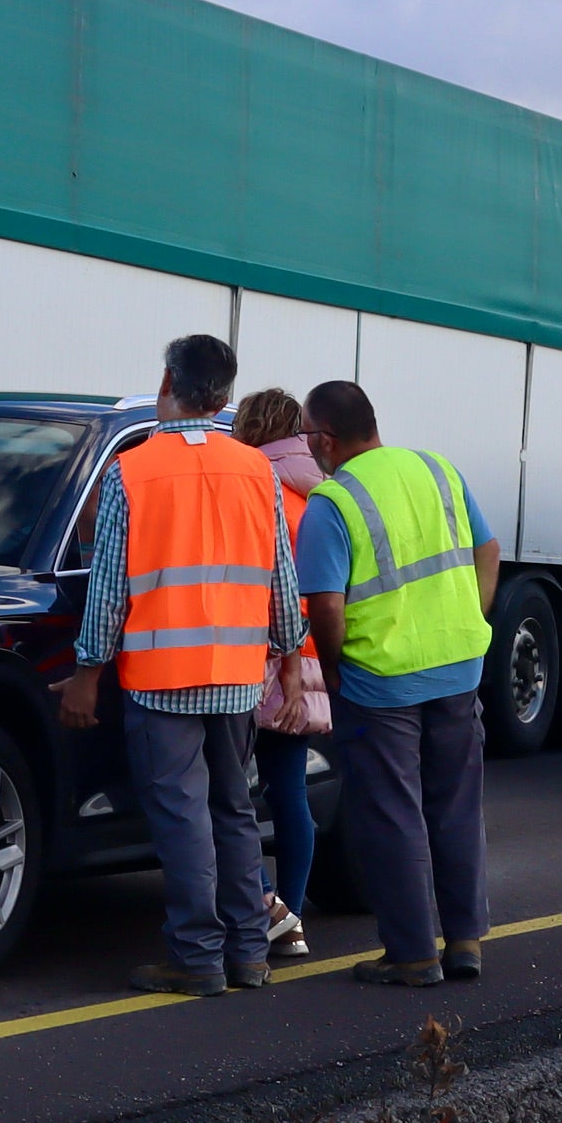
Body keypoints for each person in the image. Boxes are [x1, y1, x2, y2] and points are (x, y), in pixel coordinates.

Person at [59, 335, 307, 998]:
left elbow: (108, 589)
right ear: (224, 398)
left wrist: (87, 673)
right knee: (233, 810)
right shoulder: (257, 471)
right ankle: (248, 953)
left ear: (167, 384)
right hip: (238, 674)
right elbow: (281, 580)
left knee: (183, 816)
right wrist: (288, 659)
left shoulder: (131, 472)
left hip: (161, 679)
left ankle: (197, 958)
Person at [298, 379, 499, 987]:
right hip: (458, 668)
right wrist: (471, 618)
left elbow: (325, 605)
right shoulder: (438, 470)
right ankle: (465, 942)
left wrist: (334, 666)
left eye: (306, 436)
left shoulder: (333, 502)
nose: (306, 447)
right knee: (456, 806)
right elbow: (488, 550)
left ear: (326, 439)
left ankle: (412, 954)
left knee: (392, 814)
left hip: (381, 682)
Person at [233, 385, 325, 962]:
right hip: (310, 651)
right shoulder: (319, 490)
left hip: (258, 654)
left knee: (226, 790)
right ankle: (291, 918)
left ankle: (266, 907)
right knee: (290, 792)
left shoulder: (252, 482)